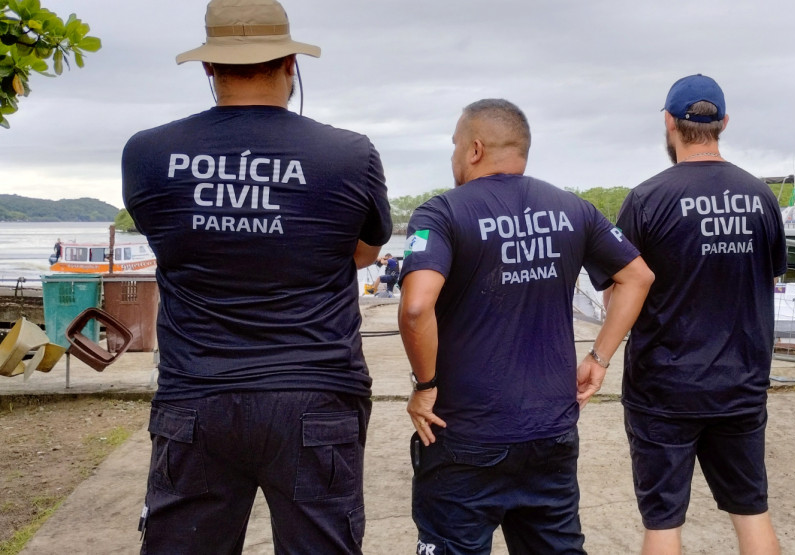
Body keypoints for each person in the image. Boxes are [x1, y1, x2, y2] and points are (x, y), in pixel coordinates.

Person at [121, 1, 391, 552]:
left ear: (207, 67)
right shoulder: (349, 153)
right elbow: (365, 252)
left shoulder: (146, 153)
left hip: (197, 395)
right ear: (291, 62)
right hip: (315, 392)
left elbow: (174, 245)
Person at [398, 99, 654, 554]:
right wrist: (598, 358)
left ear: (474, 149)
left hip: (464, 434)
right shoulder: (573, 208)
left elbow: (417, 307)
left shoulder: (441, 213)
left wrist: (425, 384)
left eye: (456, 145)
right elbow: (638, 275)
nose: (454, 156)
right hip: (549, 432)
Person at [611, 74, 785, 554]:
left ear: (669, 121)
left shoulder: (647, 198)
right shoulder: (762, 198)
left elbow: (621, 291)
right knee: (753, 516)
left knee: (663, 525)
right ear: (723, 123)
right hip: (741, 384)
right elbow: (767, 281)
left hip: (663, 388)